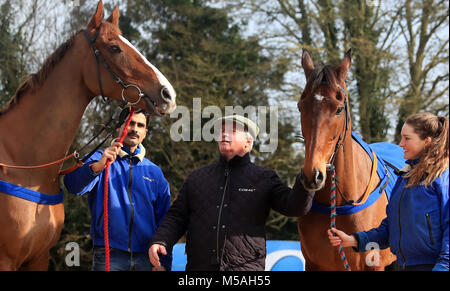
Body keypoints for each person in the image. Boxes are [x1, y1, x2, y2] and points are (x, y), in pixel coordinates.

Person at [148, 115, 315, 271]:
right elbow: (176, 216)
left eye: (232, 131)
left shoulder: (265, 178)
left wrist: (307, 177)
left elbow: (295, 207)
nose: (224, 135)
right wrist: (161, 240)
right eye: (222, 131)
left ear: (248, 143)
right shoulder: (196, 178)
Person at [327, 113, 449, 271]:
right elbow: (389, 229)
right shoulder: (405, 178)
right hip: (404, 266)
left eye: (407, 138)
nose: (400, 144)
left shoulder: (443, 178)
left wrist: (444, 266)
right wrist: (353, 240)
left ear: (427, 141)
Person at [64, 108, 172, 271]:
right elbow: (72, 185)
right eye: (130, 123)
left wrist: (165, 263)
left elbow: (166, 221)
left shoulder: (155, 172)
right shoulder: (99, 158)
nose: (135, 129)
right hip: (109, 253)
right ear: (119, 127)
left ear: (145, 132)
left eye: (140, 125)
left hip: (147, 258)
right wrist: (99, 166)